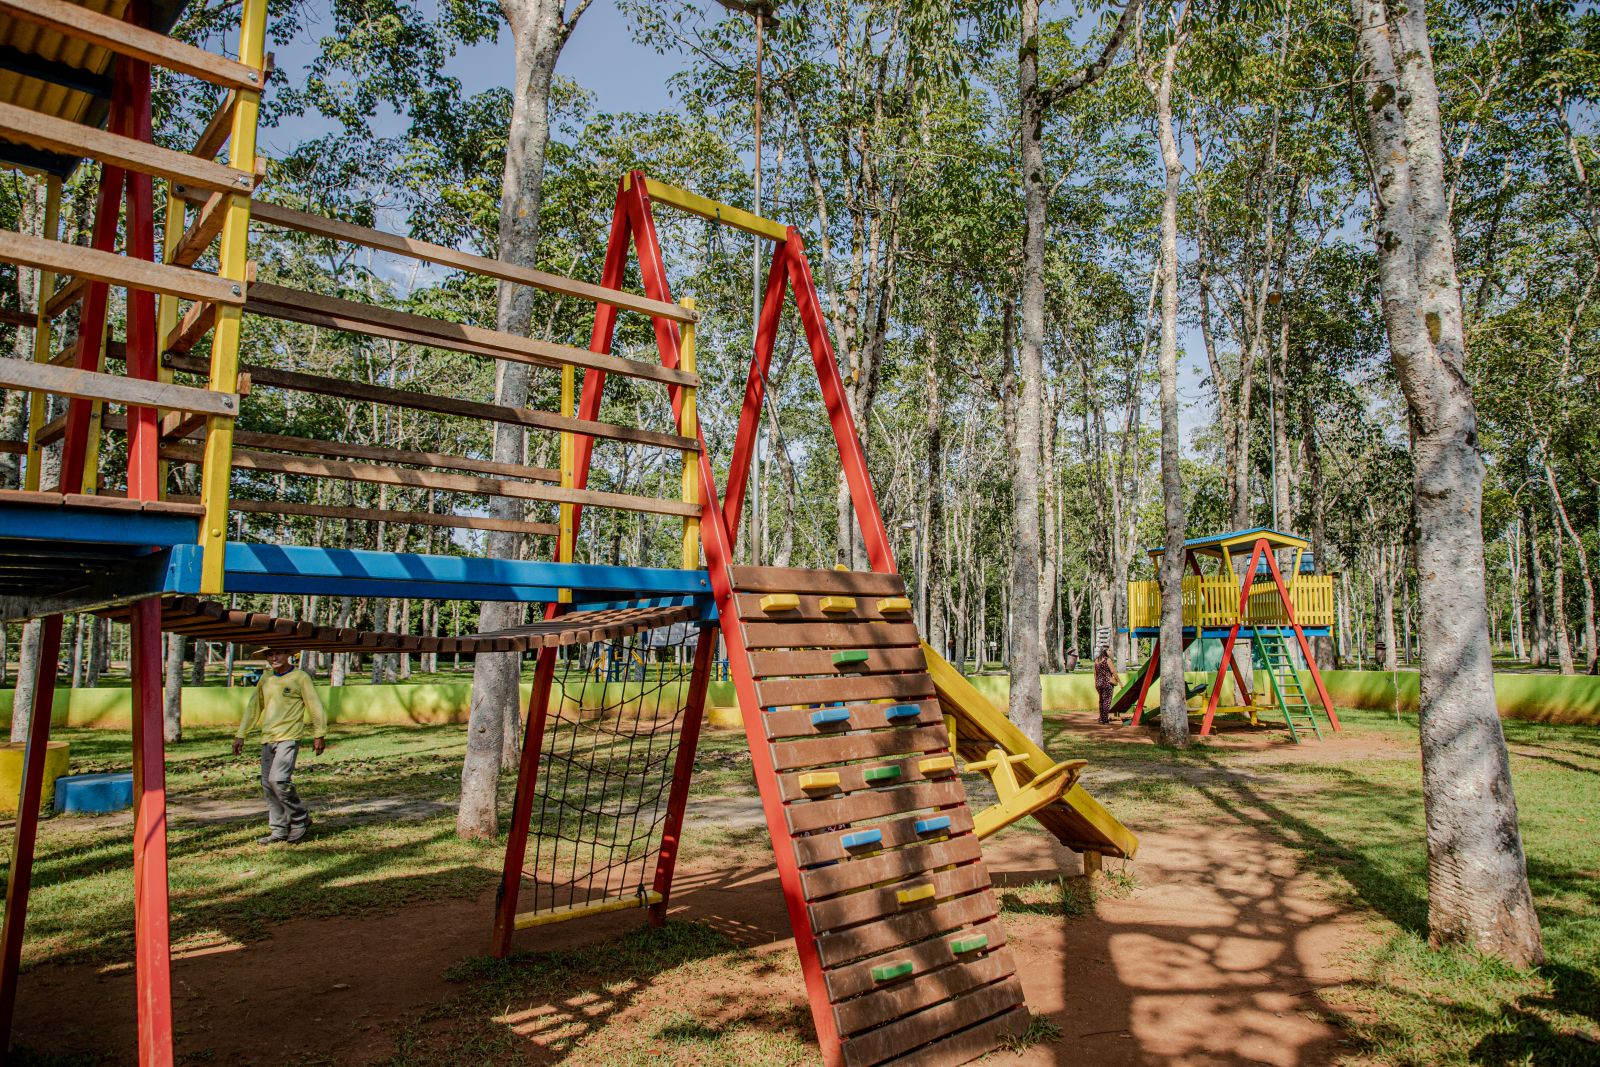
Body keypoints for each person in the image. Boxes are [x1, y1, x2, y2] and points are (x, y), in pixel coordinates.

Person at [232, 647, 327, 845]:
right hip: (268, 738)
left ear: (288, 655)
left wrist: (319, 734)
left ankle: (300, 819)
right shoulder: (266, 678)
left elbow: (314, 704)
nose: (274, 658)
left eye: (279, 653)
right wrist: (241, 734)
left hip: (289, 737)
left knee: (279, 780)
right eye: (269, 654)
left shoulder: (300, 677)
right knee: (268, 785)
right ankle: (279, 830)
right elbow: (254, 706)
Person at [1094, 646, 1119, 725]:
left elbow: (1095, 673)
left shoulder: (1097, 660)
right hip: (1107, 683)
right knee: (1106, 701)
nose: (1110, 652)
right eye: (1109, 650)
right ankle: (1105, 720)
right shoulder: (1107, 660)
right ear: (1105, 651)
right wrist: (1120, 682)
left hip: (1099, 683)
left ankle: (1101, 719)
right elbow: (1113, 672)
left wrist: (1096, 682)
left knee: (1101, 701)